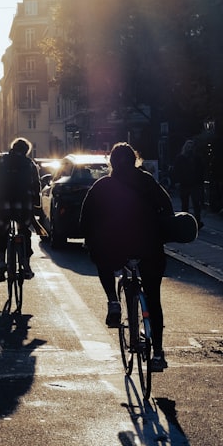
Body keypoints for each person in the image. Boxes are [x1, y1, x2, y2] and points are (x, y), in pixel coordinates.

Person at [80, 142, 173, 372]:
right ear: (135, 161)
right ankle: (158, 353)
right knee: (153, 299)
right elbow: (167, 208)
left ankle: (113, 300)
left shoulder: (102, 186)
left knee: (100, 257)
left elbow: (85, 219)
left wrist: (91, 239)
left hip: (115, 249)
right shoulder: (147, 181)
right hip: (149, 249)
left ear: (111, 163)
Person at [0, 137, 41, 282]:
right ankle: (25, 264)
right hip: (23, 204)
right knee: (25, 230)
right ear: (26, 151)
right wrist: (36, 203)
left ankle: (2, 262)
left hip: (2, 202)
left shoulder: (0, 161)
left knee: (0, 230)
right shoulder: (29, 163)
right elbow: (35, 184)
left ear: (12, 148)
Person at [172, 139, 205, 226]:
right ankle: (186, 221)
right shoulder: (180, 158)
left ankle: (197, 221)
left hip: (194, 183)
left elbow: (201, 170)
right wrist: (177, 181)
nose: (190, 149)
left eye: (191, 147)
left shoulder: (196, 158)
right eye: (188, 147)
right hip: (185, 183)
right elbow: (176, 170)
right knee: (185, 204)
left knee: (196, 204)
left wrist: (200, 181)